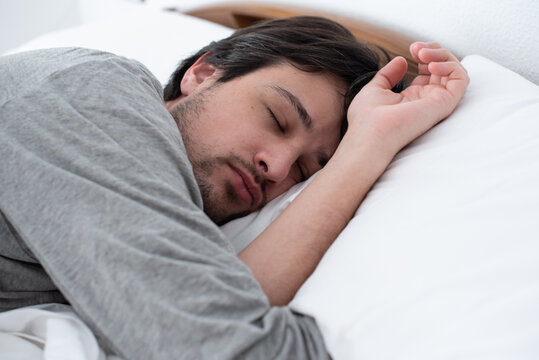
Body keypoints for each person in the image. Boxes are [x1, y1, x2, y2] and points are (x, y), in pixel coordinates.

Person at [0, 16, 468, 359]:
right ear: (203, 73)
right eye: (276, 117)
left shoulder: (138, 203)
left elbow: (210, 302)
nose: (277, 166)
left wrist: (370, 143)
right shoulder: (92, 96)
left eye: (305, 172)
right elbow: (229, 348)